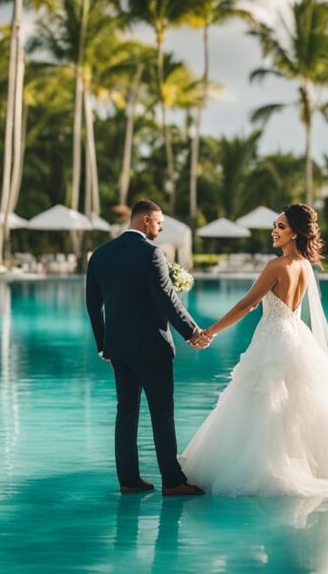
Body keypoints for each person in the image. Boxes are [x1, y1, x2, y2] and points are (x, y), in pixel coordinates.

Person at [179, 204, 328, 497]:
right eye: (275, 225)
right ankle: (307, 466)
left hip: (273, 340)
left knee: (264, 406)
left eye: (281, 227)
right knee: (293, 409)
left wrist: (209, 332)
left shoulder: (277, 266)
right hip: (296, 338)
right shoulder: (304, 266)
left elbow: (248, 304)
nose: (274, 231)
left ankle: (266, 470)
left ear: (295, 232)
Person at [85, 200, 209, 496]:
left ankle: (129, 480)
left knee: (125, 414)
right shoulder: (152, 254)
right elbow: (167, 300)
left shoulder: (100, 255)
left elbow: (93, 305)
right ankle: (172, 481)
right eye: (159, 223)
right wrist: (193, 332)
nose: (160, 229)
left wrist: (104, 346)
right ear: (145, 221)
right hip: (153, 349)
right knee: (162, 415)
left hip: (118, 350)